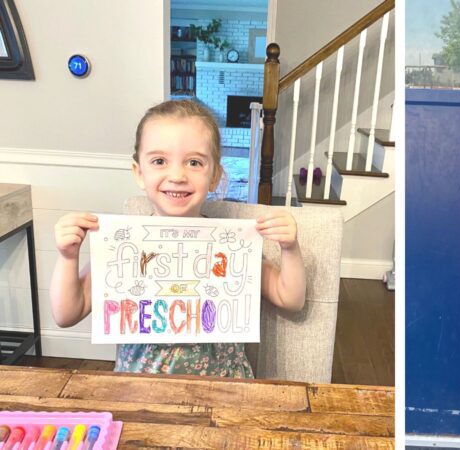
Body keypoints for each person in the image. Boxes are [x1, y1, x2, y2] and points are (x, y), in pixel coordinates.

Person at [50, 100, 306, 378]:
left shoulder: (231, 244)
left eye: (194, 162)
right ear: (139, 172)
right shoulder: (122, 246)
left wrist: (290, 248)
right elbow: (66, 315)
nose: (177, 175)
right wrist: (67, 257)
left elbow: (289, 298)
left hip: (225, 391)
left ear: (214, 177)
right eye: (159, 161)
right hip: (141, 391)